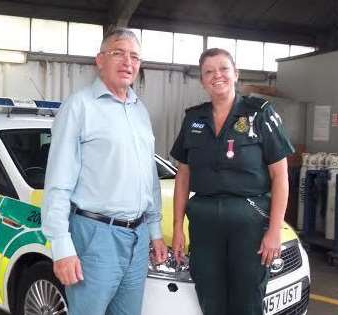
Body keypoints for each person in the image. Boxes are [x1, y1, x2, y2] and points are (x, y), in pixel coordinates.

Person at [41, 27, 167, 315]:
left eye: (134, 56)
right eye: (118, 53)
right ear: (100, 60)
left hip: (138, 238)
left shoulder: (139, 110)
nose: (128, 62)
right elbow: (58, 181)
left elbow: (149, 178)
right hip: (95, 238)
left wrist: (155, 230)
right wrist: (62, 246)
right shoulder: (79, 107)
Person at [171, 48, 294, 315]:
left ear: (235, 74)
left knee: (247, 300)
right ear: (202, 81)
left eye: (224, 68)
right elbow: (183, 175)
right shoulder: (194, 118)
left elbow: (280, 176)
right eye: (209, 72)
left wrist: (274, 231)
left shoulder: (259, 114)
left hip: (248, 220)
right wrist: (178, 227)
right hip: (204, 223)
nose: (218, 75)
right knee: (209, 296)